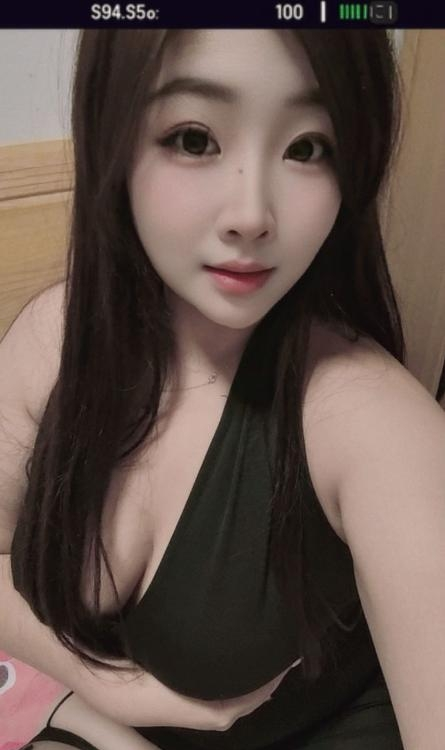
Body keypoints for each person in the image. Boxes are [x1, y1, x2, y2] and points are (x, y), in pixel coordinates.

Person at [1, 27, 445, 750]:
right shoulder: (54, 338)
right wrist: (118, 694)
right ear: (113, 133)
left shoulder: (373, 424)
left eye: (307, 147)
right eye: (194, 139)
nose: (251, 216)